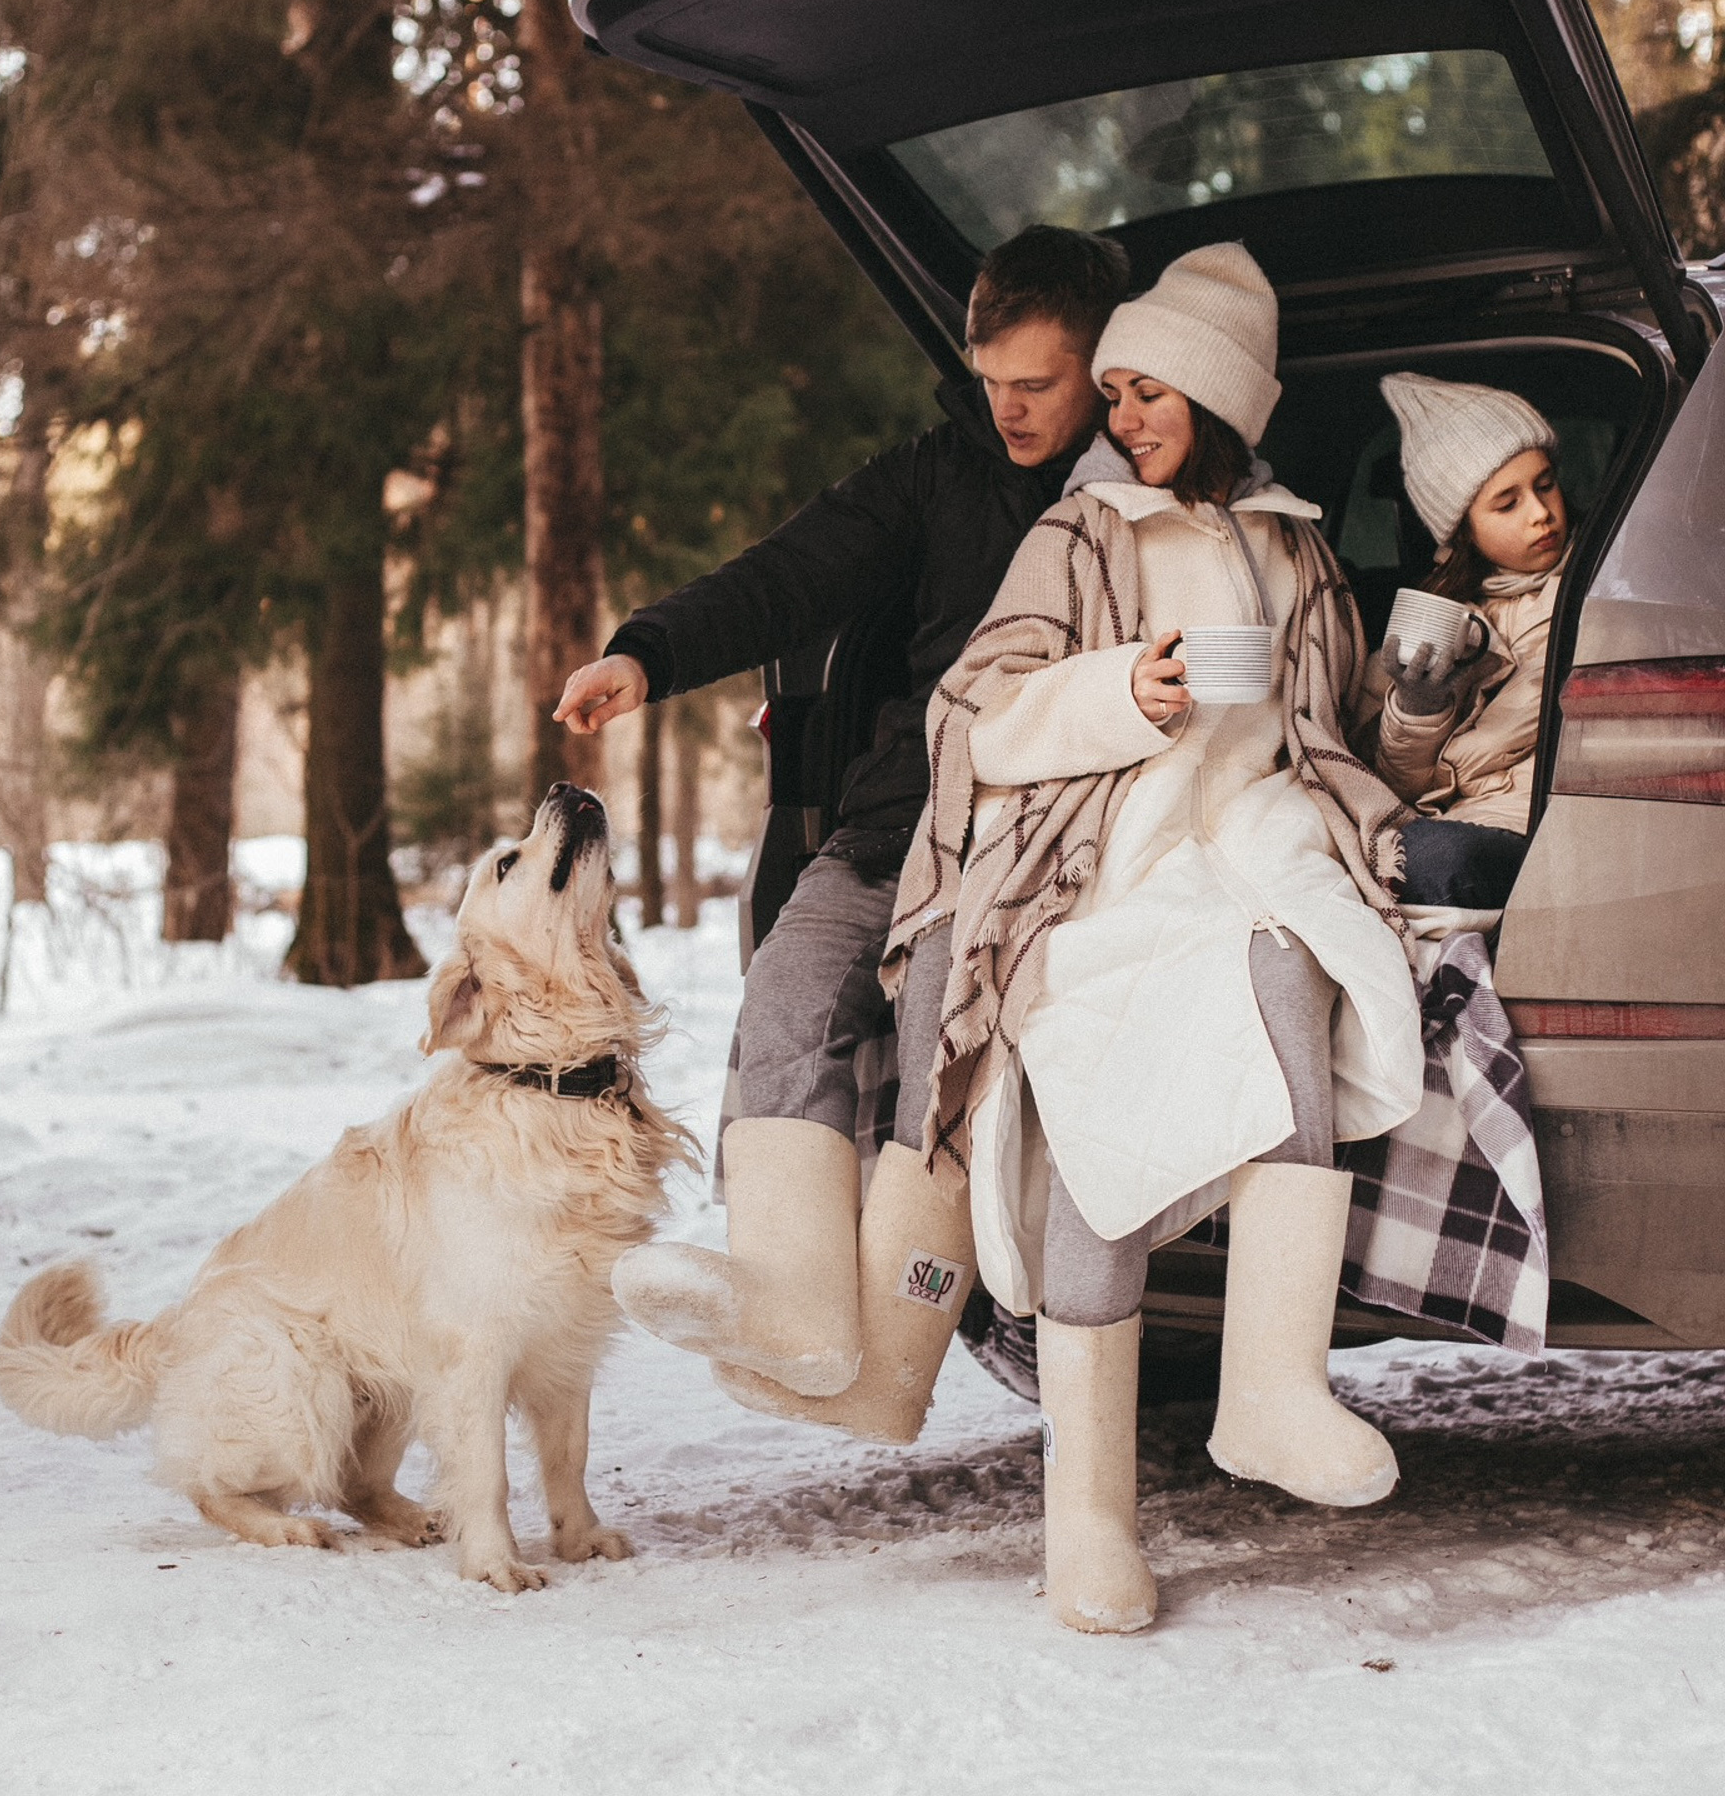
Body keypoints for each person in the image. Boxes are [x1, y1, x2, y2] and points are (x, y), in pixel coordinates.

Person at [883, 244, 1424, 1632]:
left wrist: (1408, 763)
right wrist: (1125, 689)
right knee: (1099, 1116)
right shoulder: (1081, 537)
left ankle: (1270, 1392)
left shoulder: (1296, 548)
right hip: (1101, 863)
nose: (1124, 419)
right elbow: (978, 714)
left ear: (1218, 394)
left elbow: (1342, 730)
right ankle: (1088, 1522)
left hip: (1250, 848)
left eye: (1148, 393)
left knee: (1296, 963)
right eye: (1112, 393)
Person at [553, 226, 1132, 1443]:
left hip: (1032, 848)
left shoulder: (1147, 490)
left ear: (1102, 366)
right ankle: (795, 1310)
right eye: (992, 383)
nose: (1011, 409)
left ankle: (891, 1374)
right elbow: (793, 573)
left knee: (939, 1055)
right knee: (788, 989)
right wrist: (645, 654)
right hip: (891, 827)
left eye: (1038, 384)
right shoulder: (939, 474)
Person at [1365, 373, 1569, 910]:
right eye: (1507, 504)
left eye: (1544, 484)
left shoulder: (1597, 588)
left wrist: (1447, 768)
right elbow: (1394, 787)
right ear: (1462, 531)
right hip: (1460, 824)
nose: (1540, 513)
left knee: (1424, 860)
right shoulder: (1433, 622)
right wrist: (1416, 708)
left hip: (1543, 818)